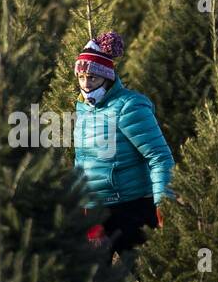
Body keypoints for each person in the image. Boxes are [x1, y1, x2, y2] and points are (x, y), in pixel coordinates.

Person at [72, 30, 174, 264]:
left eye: (93, 78)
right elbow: (83, 162)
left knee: (144, 274)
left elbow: (159, 156)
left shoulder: (128, 106)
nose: (86, 84)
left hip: (131, 209)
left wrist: (162, 201)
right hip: (95, 212)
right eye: (81, 78)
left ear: (107, 78)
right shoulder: (84, 110)